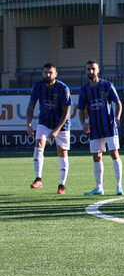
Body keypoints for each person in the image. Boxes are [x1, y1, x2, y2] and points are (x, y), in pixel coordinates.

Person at [79, 61, 124, 196]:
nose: (91, 71)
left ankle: (118, 187)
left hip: (109, 126)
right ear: (86, 71)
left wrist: (117, 118)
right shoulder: (84, 90)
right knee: (96, 156)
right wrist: (83, 123)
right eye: (88, 69)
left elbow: (118, 103)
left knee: (114, 153)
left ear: (98, 70)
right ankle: (99, 188)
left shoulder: (107, 85)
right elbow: (81, 110)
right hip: (94, 128)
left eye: (93, 69)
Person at [26, 63, 72, 195]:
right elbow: (31, 106)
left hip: (62, 125)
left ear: (56, 74)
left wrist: (57, 129)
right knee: (38, 143)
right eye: (45, 72)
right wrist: (28, 124)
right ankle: (38, 179)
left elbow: (66, 112)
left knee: (62, 152)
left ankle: (61, 186)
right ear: (42, 73)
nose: (48, 75)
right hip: (44, 122)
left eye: (50, 72)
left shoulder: (63, 88)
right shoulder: (38, 86)